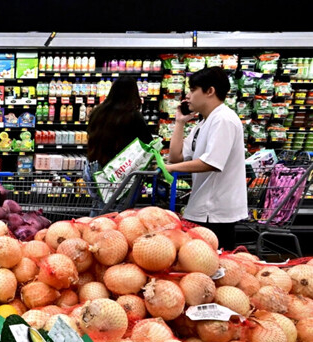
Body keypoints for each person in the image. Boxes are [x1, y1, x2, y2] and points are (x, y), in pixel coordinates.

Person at [166, 67, 247, 251]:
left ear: (210, 91)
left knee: (216, 266)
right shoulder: (204, 122)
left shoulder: (223, 119)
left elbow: (211, 163)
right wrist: (179, 122)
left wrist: (171, 169)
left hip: (216, 211)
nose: (188, 95)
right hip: (203, 207)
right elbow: (175, 157)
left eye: (193, 90)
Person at [86, 77, 153, 216]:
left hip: (94, 167)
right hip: (120, 172)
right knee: (118, 215)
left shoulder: (98, 112)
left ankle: (93, 232)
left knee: (99, 208)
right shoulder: (133, 116)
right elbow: (147, 143)